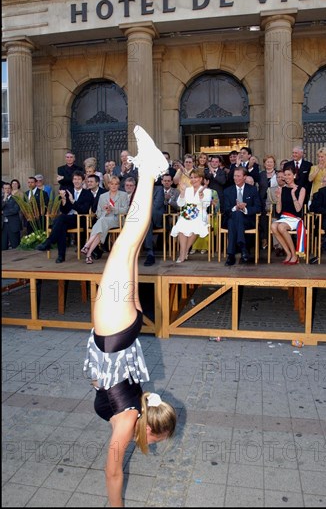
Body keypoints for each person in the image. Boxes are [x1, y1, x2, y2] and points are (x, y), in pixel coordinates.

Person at [83, 125, 176, 507]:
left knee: (130, 246)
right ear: (148, 430)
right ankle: (151, 169)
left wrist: (136, 296)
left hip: (126, 326)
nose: (155, 442)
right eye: (158, 439)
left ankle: (150, 170)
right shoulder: (126, 423)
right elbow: (112, 472)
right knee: (126, 242)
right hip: (116, 333)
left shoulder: (137, 410)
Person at [36, 171, 92, 263]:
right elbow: (64, 210)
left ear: (82, 181)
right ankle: (60, 256)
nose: (76, 181)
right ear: (72, 180)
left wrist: (73, 201)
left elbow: (84, 210)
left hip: (79, 219)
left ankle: (50, 243)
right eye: (74, 179)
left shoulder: (87, 193)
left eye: (79, 179)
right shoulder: (68, 191)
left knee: (60, 219)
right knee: (61, 226)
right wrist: (64, 200)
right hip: (67, 219)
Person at [81, 176, 129, 264]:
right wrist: (106, 212)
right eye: (112, 184)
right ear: (108, 185)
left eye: (116, 184)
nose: (114, 186)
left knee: (101, 222)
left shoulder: (123, 195)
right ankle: (88, 254)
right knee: (101, 226)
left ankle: (87, 245)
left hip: (117, 219)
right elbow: (98, 212)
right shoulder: (103, 196)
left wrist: (113, 209)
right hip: (105, 219)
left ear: (118, 185)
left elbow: (125, 210)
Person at [171, 169, 212, 263]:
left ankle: (184, 251)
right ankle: (183, 252)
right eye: (191, 177)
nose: (193, 180)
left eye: (195, 177)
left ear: (201, 179)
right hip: (187, 212)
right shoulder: (187, 190)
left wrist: (201, 195)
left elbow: (206, 205)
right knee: (181, 225)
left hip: (200, 213)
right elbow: (180, 204)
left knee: (196, 226)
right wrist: (182, 192)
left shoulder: (207, 191)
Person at [223, 167, 262, 265]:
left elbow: (258, 207)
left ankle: (231, 255)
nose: (236, 178)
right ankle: (243, 247)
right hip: (231, 218)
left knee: (236, 217)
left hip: (247, 220)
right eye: (235, 176)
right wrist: (235, 208)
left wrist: (245, 209)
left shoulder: (252, 189)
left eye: (238, 176)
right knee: (235, 216)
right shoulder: (227, 191)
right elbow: (226, 209)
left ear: (245, 177)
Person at [271, 165, 306, 265]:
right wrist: (278, 198)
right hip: (284, 217)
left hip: (295, 218)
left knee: (281, 227)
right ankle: (288, 253)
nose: (286, 177)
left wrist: (293, 194)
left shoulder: (301, 189)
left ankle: (294, 255)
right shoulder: (281, 189)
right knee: (273, 226)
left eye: (289, 174)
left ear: (294, 175)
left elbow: (298, 209)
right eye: (285, 175)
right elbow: (278, 211)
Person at [190, 172, 220, 255]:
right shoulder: (192, 190)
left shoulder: (213, 192)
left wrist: (211, 203)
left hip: (210, 215)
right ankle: (194, 247)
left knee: (205, 221)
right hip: (195, 213)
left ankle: (205, 247)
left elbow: (217, 206)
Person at [258, 155, 277, 250]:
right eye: (267, 162)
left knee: (274, 219)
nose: (269, 164)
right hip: (263, 200)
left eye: (271, 162)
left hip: (275, 201)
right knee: (263, 221)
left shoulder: (278, 174)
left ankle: (276, 243)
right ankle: (265, 239)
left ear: (274, 163)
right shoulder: (261, 174)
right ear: (264, 164)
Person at [2, 182, 22, 250]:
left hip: (13, 224)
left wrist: (3, 212)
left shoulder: (16, 198)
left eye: (8, 188)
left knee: (15, 245)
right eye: (5, 188)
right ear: (3, 189)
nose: (7, 190)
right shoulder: (2, 199)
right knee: (3, 246)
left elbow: (15, 210)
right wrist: (4, 199)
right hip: (3, 225)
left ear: (11, 189)